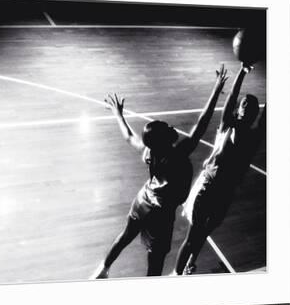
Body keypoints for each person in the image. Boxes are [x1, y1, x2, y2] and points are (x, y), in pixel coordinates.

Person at [91, 66, 229, 278]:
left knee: (126, 235)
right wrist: (216, 90)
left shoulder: (150, 152)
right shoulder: (179, 154)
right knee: (155, 264)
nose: (170, 126)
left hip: (143, 200)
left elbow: (129, 137)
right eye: (166, 128)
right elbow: (203, 121)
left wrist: (118, 114)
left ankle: (103, 270)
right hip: (160, 215)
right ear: (165, 140)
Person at [174, 62, 266, 275]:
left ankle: (190, 263)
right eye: (244, 103)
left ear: (254, 113)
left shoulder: (253, 137)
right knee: (192, 236)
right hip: (208, 185)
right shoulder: (227, 125)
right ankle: (175, 276)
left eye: (251, 106)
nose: (247, 107)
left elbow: (267, 118)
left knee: (205, 231)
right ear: (238, 108)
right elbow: (232, 96)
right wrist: (242, 72)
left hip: (226, 191)